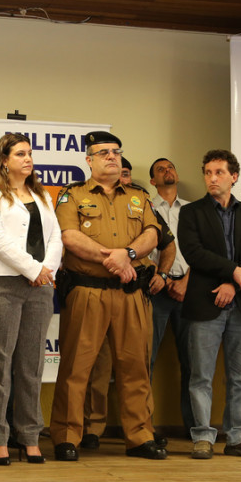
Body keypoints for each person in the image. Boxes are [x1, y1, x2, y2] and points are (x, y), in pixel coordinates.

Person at [52, 131, 165, 461]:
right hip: (88, 292)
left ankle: (139, 436)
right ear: (89, 160)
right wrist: (112, 259)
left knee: (135, 368)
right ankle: (66, 435)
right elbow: (69, 237)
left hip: (130, 295)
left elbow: (153, 233)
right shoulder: (72, 195)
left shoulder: (138, 196)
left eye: (116, 152)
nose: (112, 157)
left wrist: (127, 254)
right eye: (103, 153)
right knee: (76, 368)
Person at [0, 133, 62, 465]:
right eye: (20, 154)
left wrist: (45, 270)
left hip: (41, 286)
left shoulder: (42, 195)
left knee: (31, 365)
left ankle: (28, 435)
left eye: (30, 153)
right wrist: (31, 268)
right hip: (2, 284)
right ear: (4, 160)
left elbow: (56, 236)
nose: (28, 159)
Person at [179, 149, 241, 460]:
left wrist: (233, 282)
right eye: (207, 172)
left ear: (234, 176)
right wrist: (231, 270)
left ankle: (238, 437)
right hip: (205, 304)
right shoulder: (191, 213)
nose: (212, 178)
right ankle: (203, 436)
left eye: (219, 172)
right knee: (201, 375)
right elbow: (194, 253)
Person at [147, 157, 195, 436]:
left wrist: (187, 281)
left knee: (192, 362)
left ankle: (193, 428)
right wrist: (162, 277)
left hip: (189, 291)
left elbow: (202, 250)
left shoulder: (193, 210)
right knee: (146, 360)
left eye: (171, 167)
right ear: (153, 181)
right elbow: (140, 248)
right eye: (160, 170)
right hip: (155, 290)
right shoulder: (146, 207)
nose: (168, 171)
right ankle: (144, 426)